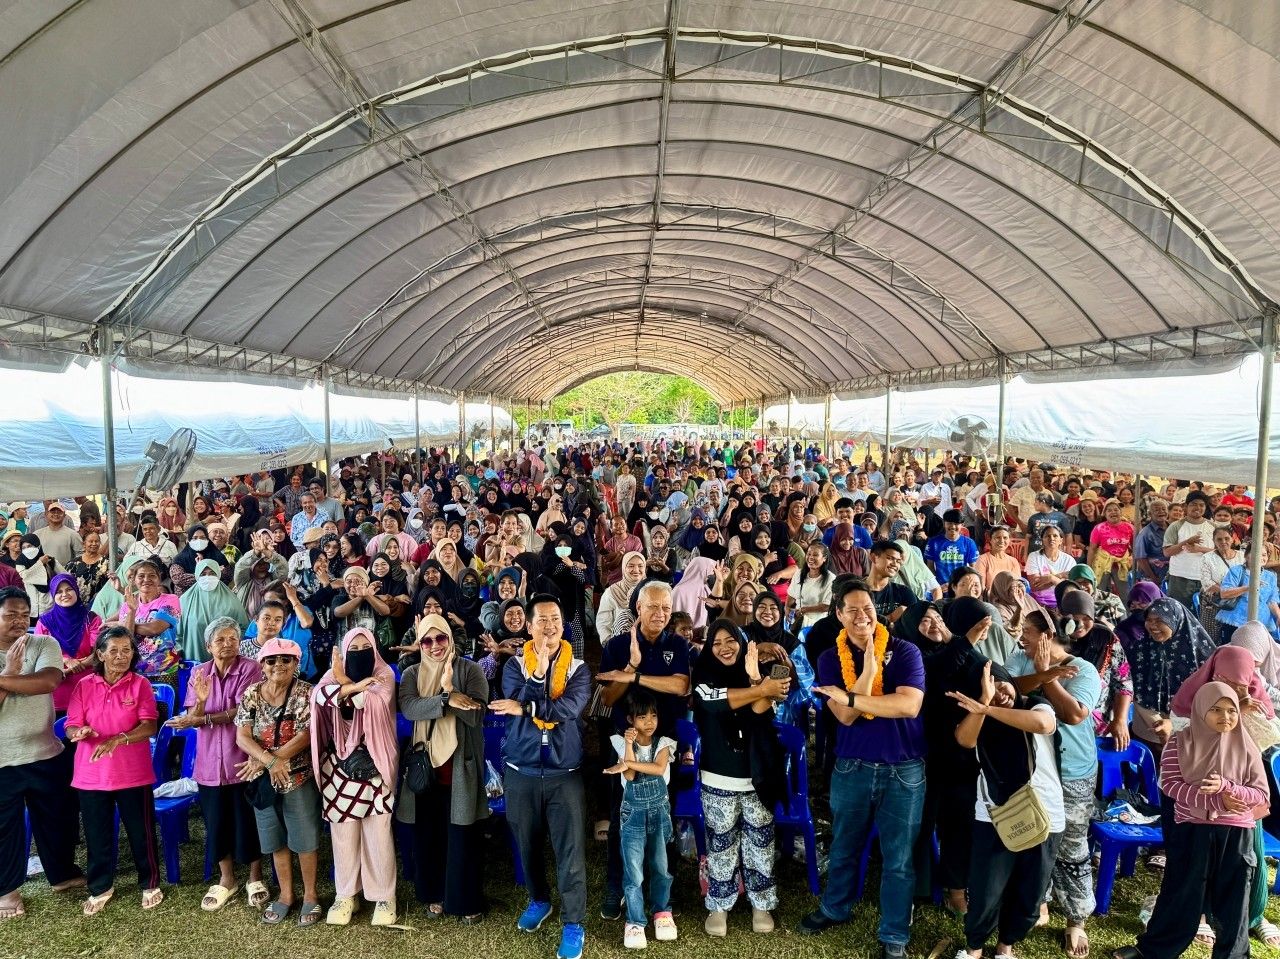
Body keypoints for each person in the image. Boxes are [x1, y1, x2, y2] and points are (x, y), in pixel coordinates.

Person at [804, 578, 926, 959]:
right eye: (853, 610)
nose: (862, 616)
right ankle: (834, 908)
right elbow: (844, 717)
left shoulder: (905, 651)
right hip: (852, 766)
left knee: (899, 858)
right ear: (839, 615)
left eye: (868, 608)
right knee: (844, 846)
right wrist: (869, 673)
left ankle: (894, 934)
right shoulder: (829, 658)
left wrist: (853, 697)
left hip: (903, 770)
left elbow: (909, 706)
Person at [1112, 683, 1266, 959]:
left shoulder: (1247, 746)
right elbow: (1171, 786)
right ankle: (1154, 950)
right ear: (1200, 709)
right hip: (1193, 829)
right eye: (1216, 709)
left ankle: (1233, 955)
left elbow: (1260, 794)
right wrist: (1217, 801)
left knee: (1234, 899)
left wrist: (1228, 788)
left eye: (1231, 710)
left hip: (1236, 832)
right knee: (1181, 891)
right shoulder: (1179, 742)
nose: (1226, 716)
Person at [488, 593, 591, 959]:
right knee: (527, 844)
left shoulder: (578, 668)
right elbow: (514, 698)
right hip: (523, 771)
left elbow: (569, 708)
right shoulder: (514, 666)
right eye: (542, 620)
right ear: (529, 627)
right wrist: (537, 674)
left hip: (565, 773)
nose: (550, 626)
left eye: (556, 619)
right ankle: (539, 900)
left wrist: (527, 706)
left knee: (570, 850)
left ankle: (573, 922)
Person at [949, 660, 1063, 959]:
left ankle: (1006, 946)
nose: (1001, 694)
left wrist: (987, 709)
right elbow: (965, 740)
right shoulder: (977, 715)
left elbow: (1043, 725)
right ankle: (974, 948)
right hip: (995, 813)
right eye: (991, 690)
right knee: (986, 888)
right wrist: (982, 706)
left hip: (1044, 811)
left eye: (1002, 685)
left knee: (1031, 890)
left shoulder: (1035, 704)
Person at [1005, 608, 1101, 956]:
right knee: (1036, 837)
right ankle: (1039, 903)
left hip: (1073, 770)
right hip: (1032, 767)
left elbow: (1074, 714)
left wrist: (1049, 679)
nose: (1022, 638)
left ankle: (1076, 919)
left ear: (1047, 636)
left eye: (1028, 633)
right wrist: (1044, 673)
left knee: (1072, 845)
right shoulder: (1020, 659)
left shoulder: (1084, 670)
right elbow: (1010, 688)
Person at [595, 581, 689, 922]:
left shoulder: (677, 643)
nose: (660, 614)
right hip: (626, 743)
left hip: (664, 744)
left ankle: (663, 891)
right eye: (653, 606)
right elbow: (608, 698)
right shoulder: (618, 645)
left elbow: (680, 685)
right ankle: (616, 885)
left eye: (666, 607)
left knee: (664, 817)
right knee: (622, 815)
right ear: (639, 608)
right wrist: (631, 666)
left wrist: (635, 679)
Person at [691, 619, 788, 937]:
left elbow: (761, 711)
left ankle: (761, 904)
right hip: (718, 777)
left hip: (757, 776)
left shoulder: (754, 674)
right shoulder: (702, 676)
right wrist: (762, 689)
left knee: (761, 842)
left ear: (742, 643)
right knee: (721, 844)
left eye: (730, 640)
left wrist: (756, 679)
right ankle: (719, 905)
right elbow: (713, 701)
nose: (724, 648)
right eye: (716, 642)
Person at [165, 617, 266, 911]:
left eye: (233, 638)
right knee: (216, 821)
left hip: (242, 758)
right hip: (210, 763)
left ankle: (255, 877)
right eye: (220, 640)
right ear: (208, 646)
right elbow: (192, 716)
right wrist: (201, 702)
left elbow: (244, 710)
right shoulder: (199, 672)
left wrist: (204, 717)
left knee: (247, 820)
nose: (227, 644)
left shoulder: (251, 668)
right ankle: (227, 879)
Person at [0, 587, 85, 920]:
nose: (20, 621)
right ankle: (7, 890)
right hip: (3, 758)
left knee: (58, 818)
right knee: (5, 827)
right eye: (10, 615)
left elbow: (49, 682)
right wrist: (10, 672)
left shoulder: (44, 643)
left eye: (25, 614)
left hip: (45, 750)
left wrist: (3, 681)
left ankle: (61, 874)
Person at [65, 625, 163, 915]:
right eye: (114, 650)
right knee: (97, 834)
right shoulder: (84, 685)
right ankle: (100, 886)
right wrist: (77, 732)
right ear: (100, 654)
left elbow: (149, 726)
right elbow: (71, 724)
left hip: (133, 772)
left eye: (127, 650)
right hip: (91, 773)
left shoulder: (140, 684)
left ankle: (149, 882)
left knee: (141, 832)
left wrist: (118, 739)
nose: (121, 656)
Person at [398, 613, 488, 922]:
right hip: (426, 767)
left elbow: (477, 715)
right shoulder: (412, 673)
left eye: (441, 638)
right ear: (420, 644)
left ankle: (464, 901)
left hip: (460, 766)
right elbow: (410, 708)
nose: (435, 645)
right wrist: (448, 698)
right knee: (429, 834)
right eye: (427, 640)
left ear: (450, 637)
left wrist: (451, 687)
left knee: (462, 836)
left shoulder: (471, 669)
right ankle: (433, 894)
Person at [310, 626, 400, 927]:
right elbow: (319, 697)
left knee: (378, 833)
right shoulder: (332, 673)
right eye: (354, 649)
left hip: (375, 764)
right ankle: (346, 894)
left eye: (365, 649)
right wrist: (348, 684)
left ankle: (384, 896)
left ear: (375, 650)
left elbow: (369, 701)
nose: (360, 654)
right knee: (344, 834)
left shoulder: (385, 674)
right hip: (338, 766)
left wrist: (345, 683)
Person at [234, 637, 322, 926]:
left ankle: (310, 896)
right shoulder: (252, 693)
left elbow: (308, 734)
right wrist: (269, 762)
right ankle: (286, 895)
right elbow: (242, 735)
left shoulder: (306, 692)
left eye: (286, 659)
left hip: (298, 775)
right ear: (262, 665)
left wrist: (267, 760)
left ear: (296, 663)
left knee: (305, 839)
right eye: (271, 660)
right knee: (275, 840)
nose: (278, 665)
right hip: (264, 779)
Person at [606, 689, 678, 949]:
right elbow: (630, 778)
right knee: (633, 870)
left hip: (659, 813)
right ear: (630, 720)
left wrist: (627, 763)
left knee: (661, 866)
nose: (649, 722)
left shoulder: (665, 743)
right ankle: (634, 921)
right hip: (632, 815)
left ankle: (662, 911)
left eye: (653, 715)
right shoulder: (620, 742)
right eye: (642, 717)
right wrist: (628, 746)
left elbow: (658, 769)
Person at [1128, 598, 1215, 761]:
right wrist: (1157, 724)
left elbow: (1209, 701)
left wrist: (1174, 726)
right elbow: (1133, 689)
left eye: (1160, 620)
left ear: (1176, 620)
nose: (1152, 626)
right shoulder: (1141, 649)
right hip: (1148, 732)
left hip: (1189, 734)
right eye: (1149, 620)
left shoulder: (1202, 656)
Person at [33, 572, 100, 713]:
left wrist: (74, 667)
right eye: (59, 591)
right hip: (55, 689)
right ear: (53, 595)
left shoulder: (91, 619)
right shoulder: (44, 622)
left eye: (69, 589)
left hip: (88, 688)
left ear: (76, 590)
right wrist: (66, 660)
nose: (64, 594)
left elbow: (99, 653)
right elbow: (38, 654)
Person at [113, 557, 181, 683]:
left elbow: (155, 628)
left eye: (152, 575)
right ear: (134, 580)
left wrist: (124, 624)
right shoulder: (128, 605)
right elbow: (126, 637)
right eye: (141, 576)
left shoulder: (171, 600)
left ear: (159, 578)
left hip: (164, 670)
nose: (146, 579)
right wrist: (132, 611)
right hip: (134, 671)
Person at [176, 558, 248, 663]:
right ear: (196, 576)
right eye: (203, 574)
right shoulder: (185, 600)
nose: (208, 577)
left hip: (225, 659)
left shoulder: (231, 600)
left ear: (218, 574)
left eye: (212, 573)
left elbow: (243, 628)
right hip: (194, 657)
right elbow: (177, 632)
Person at [1162, 491, 1215, 610]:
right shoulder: (1176, 526)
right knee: (1179, 612)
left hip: (1206, 579)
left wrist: (1200, 549)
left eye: (1201, 505)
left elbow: (1220, 552)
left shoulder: (1213, 526)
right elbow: (1167, 552)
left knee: (1204, 615)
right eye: (1194, 504)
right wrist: (1186, 542)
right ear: (1186, 506)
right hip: (1180, 578)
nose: (1198, 508)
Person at [923, 510, 979, 592]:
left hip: (962, 588)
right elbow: (930, 567)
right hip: (941, 588)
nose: (952, 526)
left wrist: (964, 585)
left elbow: (973, 568)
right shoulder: (933, 542)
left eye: (956, 523)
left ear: (962, 525)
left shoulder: (969, 543)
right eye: (949, 523)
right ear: (944, 523)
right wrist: (936, 586)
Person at [597, 552, 645, 642]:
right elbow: (603, 623)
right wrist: (610, 644)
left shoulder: (650, 590)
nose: (636, 570)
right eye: (631, 566)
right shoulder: (612, 592)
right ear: (623, 568)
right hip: (618, 643)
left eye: (640, 566)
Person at [1024, 526, 1075, 609]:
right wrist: (1060, 576)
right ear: (1042, 540)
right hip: (1038, 603)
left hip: (1063, 602)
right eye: (1047, 536)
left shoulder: (1069, 560)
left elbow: (1069, 588)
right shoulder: (1034, 557)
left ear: (1061, 540)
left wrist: (1051, 578)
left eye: (1055, 536)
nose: (1051, 538)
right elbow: (1035, 586)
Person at [973, 525, 1020, 595]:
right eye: (997, 537)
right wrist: (995, 598)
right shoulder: (983, 559)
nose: (1002, 541)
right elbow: (981, 587)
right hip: (989, 598)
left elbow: (1017, 585)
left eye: (1005, 538)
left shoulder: (1013, 561)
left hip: (1010, 598)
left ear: (1009, 540)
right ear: (990, 540)